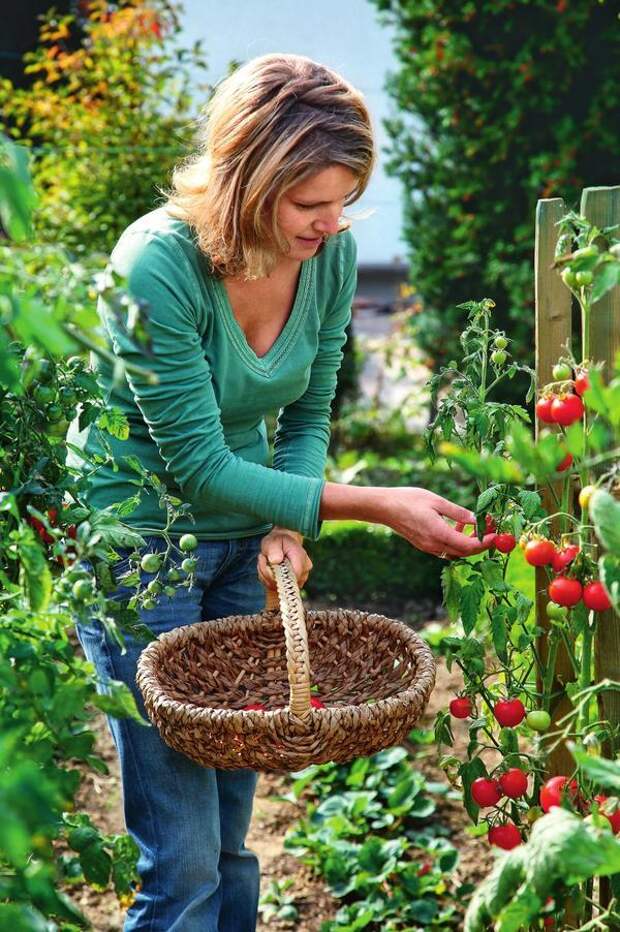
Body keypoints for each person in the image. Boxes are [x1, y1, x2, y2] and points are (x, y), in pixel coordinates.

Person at [73, 53, 493, 932]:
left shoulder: (327, 256)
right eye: (310, 204)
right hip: (140, 547)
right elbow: (198, 466)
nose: (334, 223)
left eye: (345, 199)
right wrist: (375, 503)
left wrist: (285, 525)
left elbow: (307, 411)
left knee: (231, 834)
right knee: (181, 853)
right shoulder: (158, 265)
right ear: (248, 182)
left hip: (243, 534)